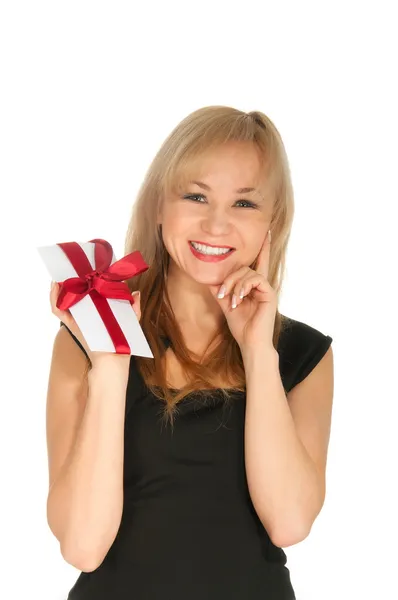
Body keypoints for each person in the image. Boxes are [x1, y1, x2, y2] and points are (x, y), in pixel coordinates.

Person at [46, 105, 334, 599]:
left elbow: (289, 523)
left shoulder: (302, 354)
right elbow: (82, 546)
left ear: (273, 222)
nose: (216, 224)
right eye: (195, 195)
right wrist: (112, 368)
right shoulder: (88, 338)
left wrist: (259, 353)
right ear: (160, 207)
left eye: (244, 204)